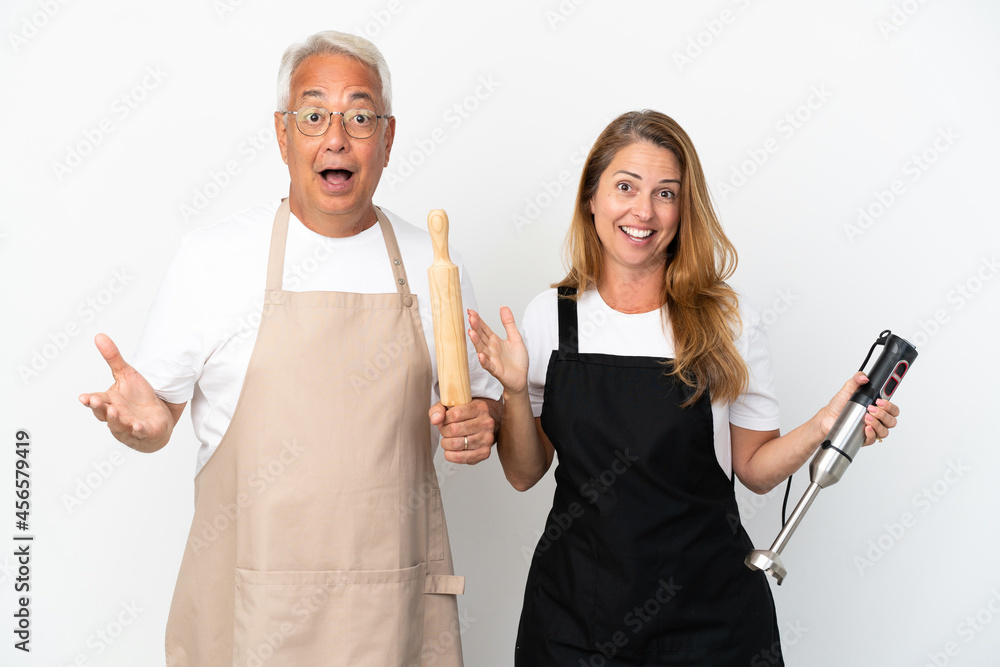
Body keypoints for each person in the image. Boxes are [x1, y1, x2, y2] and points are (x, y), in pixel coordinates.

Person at [78, 30, 501, 666]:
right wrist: (141, 425)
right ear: (282, 134)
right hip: (250, 619)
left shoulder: (433, 263)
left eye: (360, 116)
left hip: (389, 616)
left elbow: (479, 411)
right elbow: (154, 417)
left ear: (387, 137)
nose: (337, 137)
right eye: (313, 115)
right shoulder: (212, 259)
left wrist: (482, 424)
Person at [468, 110, 901, 666]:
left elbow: (756, 470)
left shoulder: (726, 318)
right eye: (625, 187)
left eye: (665, 193)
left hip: (709, 621)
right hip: (576, 616)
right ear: (591, 199)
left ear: (683, 209)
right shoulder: (552, 316)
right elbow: (524, 473)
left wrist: (826, 424)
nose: (643, 211)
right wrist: (510, 390)